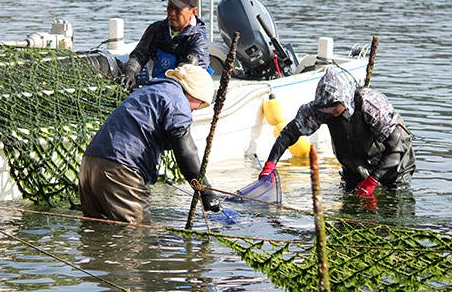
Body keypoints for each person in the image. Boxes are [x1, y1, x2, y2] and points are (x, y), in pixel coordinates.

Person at [79, 64, 221, 223]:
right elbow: (186, 151)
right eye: (199, 104)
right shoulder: (177, 100)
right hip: (121, 170)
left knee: (96, 231)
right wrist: (205, 191)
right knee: (137, 236)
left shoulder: (151, 91)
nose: (195, 109)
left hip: (90, 165)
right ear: (194, 92)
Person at [258, 67, 415, 196]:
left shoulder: (371, 106)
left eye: (333, 107)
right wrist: (270, 164)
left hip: (394, 161)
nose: (329, 111)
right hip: (355, 162)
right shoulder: (321, 109)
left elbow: (395, 150)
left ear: (343, 101)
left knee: (393, 202)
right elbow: (288, 134)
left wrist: (372, 181)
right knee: (350, 205)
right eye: (325, 109)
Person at [121, 0, 210, 90]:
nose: (172, 13)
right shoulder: (156, 29)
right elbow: (140, 54)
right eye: (170, 7)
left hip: (183, 89)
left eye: (178, 9)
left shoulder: (198, 40)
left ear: (193, 11)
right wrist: (130, 71)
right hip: (156, 85)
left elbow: (187, 73)